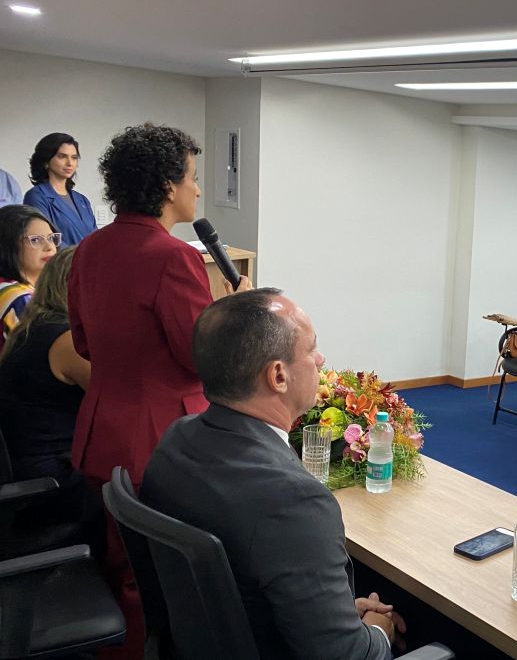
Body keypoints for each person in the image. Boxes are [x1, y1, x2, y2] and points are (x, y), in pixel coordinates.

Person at [141, 289, 406, 660]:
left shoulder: (176, 439)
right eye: (311, 349)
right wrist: (378, 631)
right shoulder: (294, 502)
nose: (321, 359)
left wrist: (332, 612)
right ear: (278, 376)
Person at [69, 123, 250, 659]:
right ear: (169, 186)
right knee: (155, 585)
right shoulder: (173, 257)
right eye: (194, 178)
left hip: (105, 432)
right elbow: (204, 360)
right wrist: (233, 311)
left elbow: (83, 343)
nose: (198, 190)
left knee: (123, 573)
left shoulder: (90, 249)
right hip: (161, 442)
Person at [0, 247, 94, 529]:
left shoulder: (36, 324)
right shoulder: (66, 340)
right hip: (52, 481)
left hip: (26, 466)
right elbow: (121, 396)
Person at [0, 205, 59, 352]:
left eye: (52, 238)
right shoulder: (17, 297)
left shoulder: (35, 290)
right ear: (8, 244)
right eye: (36, 240)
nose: (49, 247)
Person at [23, 133, 97, 246]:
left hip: (89, 261)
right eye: (62, 156)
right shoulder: (36, 196)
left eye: (74, 158)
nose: (69, 163)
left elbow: (95, 236)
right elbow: (45, 239)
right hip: (60, 262)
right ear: (46, 161)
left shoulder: (82, 200)